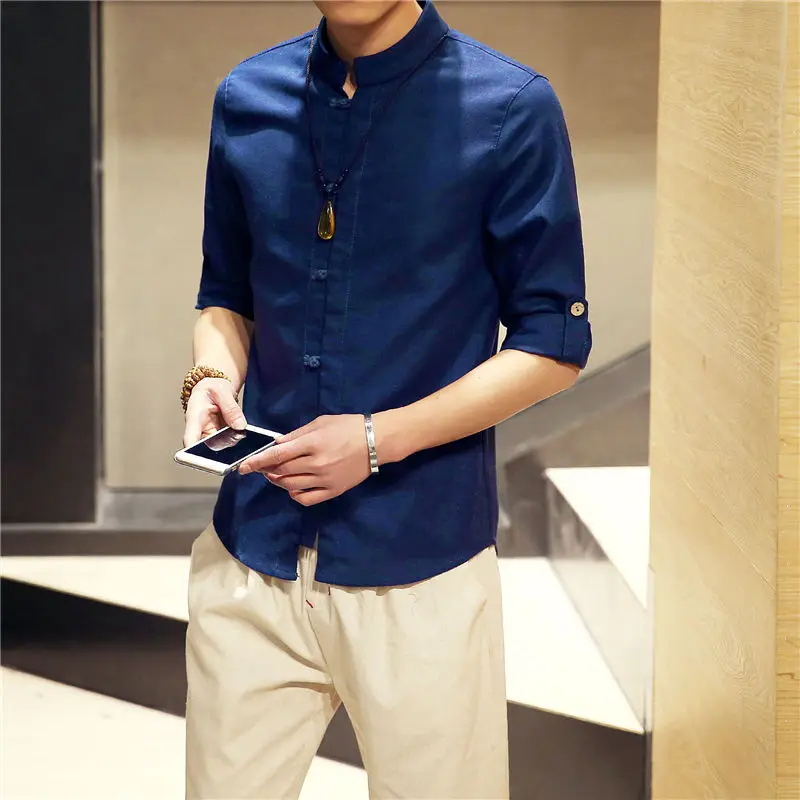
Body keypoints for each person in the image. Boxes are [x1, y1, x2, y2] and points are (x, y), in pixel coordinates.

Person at [181, 1, 591, 798]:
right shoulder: (247, 95)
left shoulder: (510, 108)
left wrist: (376, 439)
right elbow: (225, 294)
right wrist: (213, 377)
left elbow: (553, 343)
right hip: (252, 556)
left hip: (420, 566)